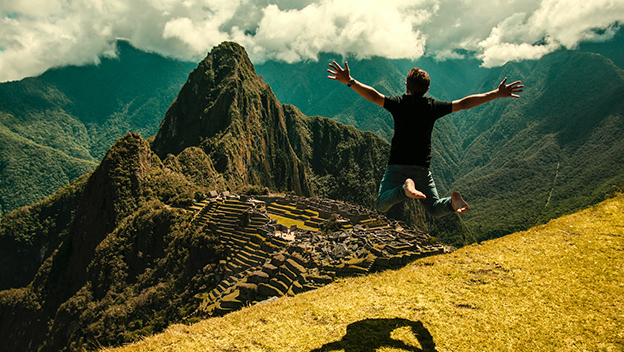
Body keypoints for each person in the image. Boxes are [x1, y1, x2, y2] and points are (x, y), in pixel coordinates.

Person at [327, 61, 523, 217]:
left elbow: (373, 96)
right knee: (435, 208)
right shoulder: (432, 106)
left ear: (407, 86)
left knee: (381, 205)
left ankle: (404, 190)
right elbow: (465, 104)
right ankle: (452, 200)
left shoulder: (398, 104)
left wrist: (349, 81)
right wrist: (496, 94)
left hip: (398, 166)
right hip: (422, 169)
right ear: (427, 90)